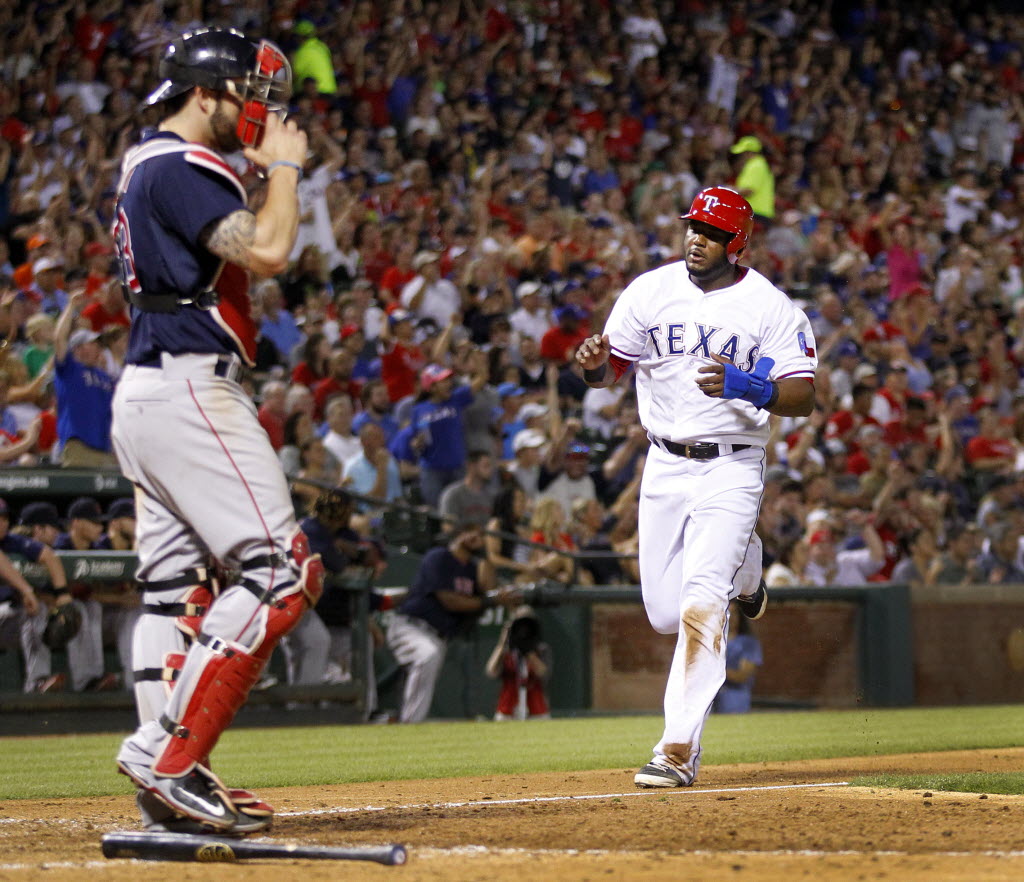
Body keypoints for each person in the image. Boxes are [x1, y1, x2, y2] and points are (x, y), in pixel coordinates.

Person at [108, 28, 324, 836]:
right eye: (248, 95)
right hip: (191, 386)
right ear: (207, 92)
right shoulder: (183, 164)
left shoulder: (143, 162)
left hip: (152, 387)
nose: (261, 111)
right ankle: (170, 758)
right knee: (282, 573)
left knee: (172, 589)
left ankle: (169, 769)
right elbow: (268, 249)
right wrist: (286, 171)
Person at [576, 186, 816, 788]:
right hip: (663, 464)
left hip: (732, 467)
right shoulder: (650, 292)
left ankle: (676, 750)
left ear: (737, 242)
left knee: (701, 601)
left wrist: (750, 387)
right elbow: (611, 372)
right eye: (692, 227)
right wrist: (591, 366)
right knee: (663, 611)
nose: (696, 238)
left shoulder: (770, 307)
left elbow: (804, 396)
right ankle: (749, 566)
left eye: (710, 231)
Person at [385, 520, 517, 723]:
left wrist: (486, 558)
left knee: (427, 662)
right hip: (410, 626)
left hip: (438, 635)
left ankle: (409, 722)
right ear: (459, 534)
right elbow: (450, 601)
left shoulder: (472, 568)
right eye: (472, 532)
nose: (477, 538)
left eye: (481, 536)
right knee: (427, 656)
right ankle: (410, 724)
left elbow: (488, 590)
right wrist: (490, 599)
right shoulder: (439, 556)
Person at [53, 295, 117, 468]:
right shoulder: (70, 369)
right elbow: (59, 339)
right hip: (79, 447)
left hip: (106, 450)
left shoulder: (106, 377)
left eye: (97, 344)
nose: (97, 347)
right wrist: (71, 306)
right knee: (82, 494)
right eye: (92, 343)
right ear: (78, 348)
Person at [485, 605, 552, 720]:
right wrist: (502, 644)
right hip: (507, 708)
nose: (523, 630)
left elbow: (543, 673)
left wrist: (528, 651)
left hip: (537, 707)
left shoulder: (541, 649)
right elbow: (491, 671)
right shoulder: (506, 651)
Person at [713, 602, 763, 714]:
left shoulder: (748, 643)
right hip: (711, 697)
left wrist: (715, 670)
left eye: (734, 614)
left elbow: (742, 675)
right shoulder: (713, 640)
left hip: (734, 698)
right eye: (726, 613)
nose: (730, 618)